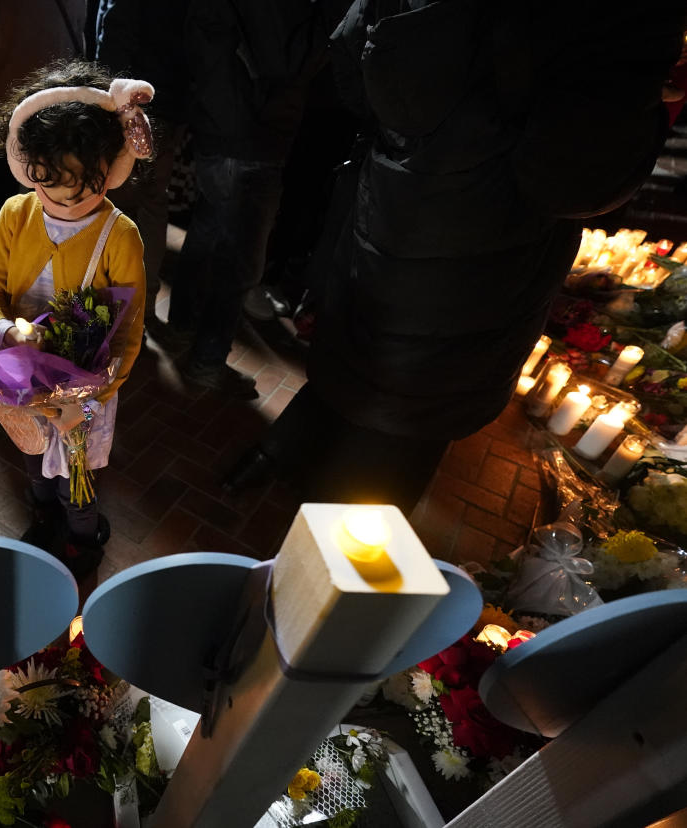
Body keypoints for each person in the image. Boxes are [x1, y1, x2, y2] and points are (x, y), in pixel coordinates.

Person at [224, 0, 687, 515]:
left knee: (360, 352)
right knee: (408, 424)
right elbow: (571, 178)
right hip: (486, 253)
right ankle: (329, 553)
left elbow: (354, 59)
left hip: (392, 199)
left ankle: (280, 451)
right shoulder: (626, 14)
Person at [0, 60, 148, 577]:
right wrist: (6, 329)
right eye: (52, 186)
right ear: (29, 167)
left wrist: (87, 397)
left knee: (80, 471)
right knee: (33, 459)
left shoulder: (120, 235)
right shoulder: (14, 214)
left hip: (86, 393)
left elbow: (129, 331)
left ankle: (83, 534)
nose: (68, 202)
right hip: (24, 381)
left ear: (111, 170)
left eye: (85, 188)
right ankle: (42, 513)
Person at [164, 0, 338, 397]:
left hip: (214, 123)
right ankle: (207, 363)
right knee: (240, 264)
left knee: (205, 231)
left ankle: (181, 326)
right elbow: (295, 59)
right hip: (256, 136)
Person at [94, 0, 189, 325]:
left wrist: (107, 111)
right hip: (170, 111)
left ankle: (114, 306)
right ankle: (143, 304)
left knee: (116, 208)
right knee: (153, 204)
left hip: (131, 111)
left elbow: (113, 49)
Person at [0, 0, 87, 211]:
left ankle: (12, 242)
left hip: (7, 109)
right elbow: (79, 32)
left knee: (7, 203)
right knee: (53, 198)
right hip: (58, 104)